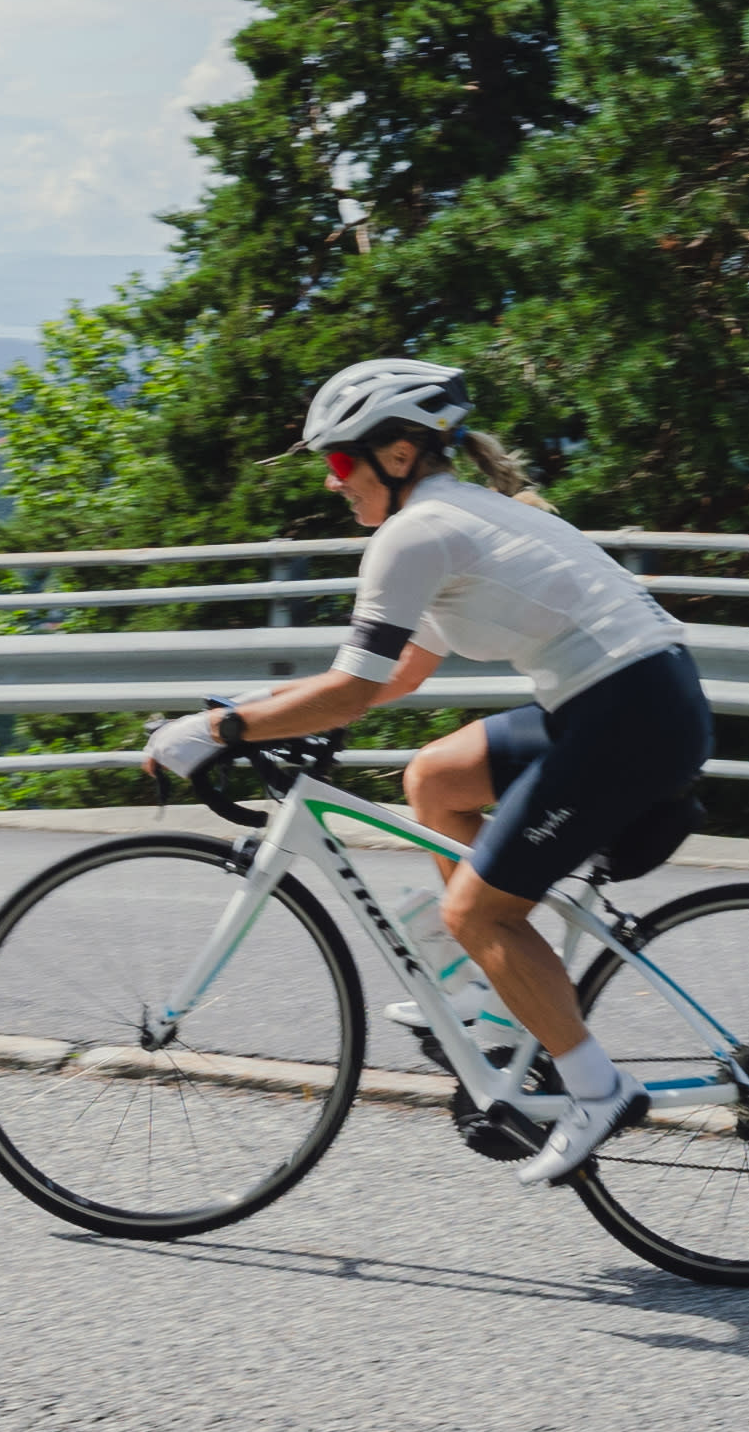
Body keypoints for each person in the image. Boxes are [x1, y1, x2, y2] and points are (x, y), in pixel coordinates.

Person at [141, 358, 708, 1186]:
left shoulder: (416, 535)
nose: (333, 481)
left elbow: (353, 692)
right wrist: (249, 710)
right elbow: (396, 676)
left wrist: (219, 729)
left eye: (341, 460)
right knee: (436, 779)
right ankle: (499, 999)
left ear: (398, 454)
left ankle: (596, 1087)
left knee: (478, 910)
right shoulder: (453, 517)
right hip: (624, 701)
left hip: (629, 715)